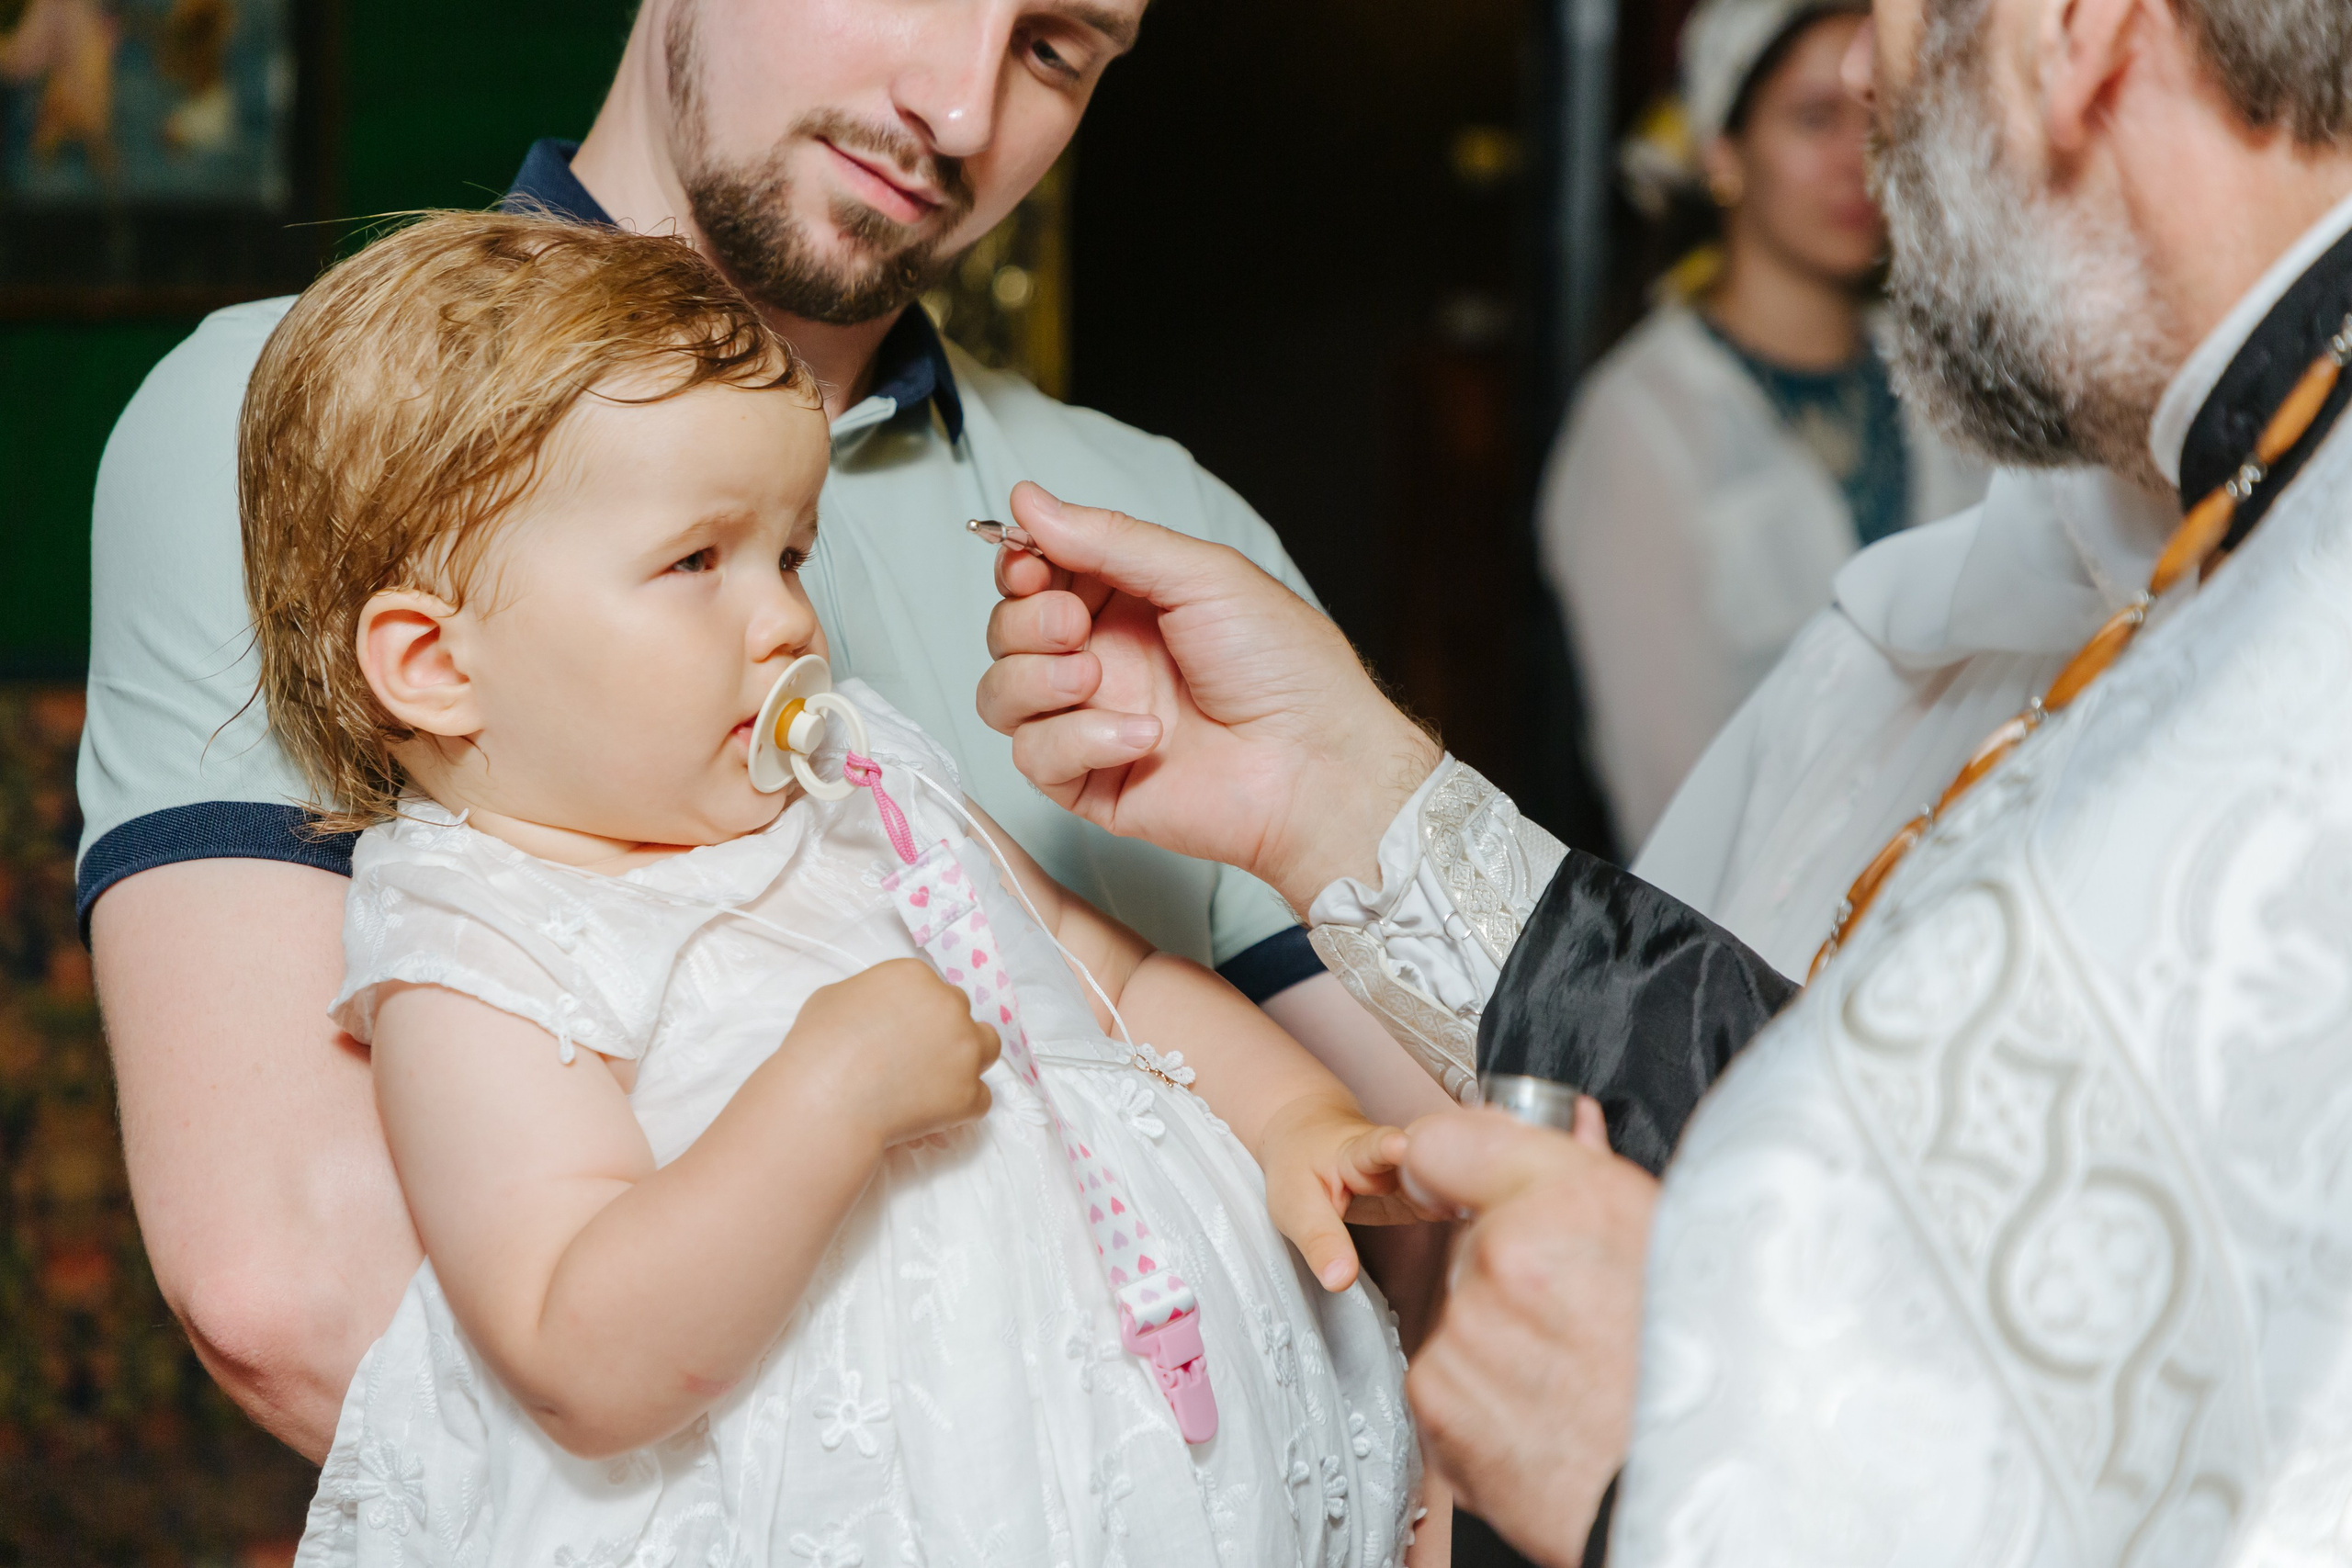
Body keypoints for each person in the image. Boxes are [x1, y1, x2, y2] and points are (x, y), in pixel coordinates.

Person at [974, 0, 2352, 1550]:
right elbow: (1986, 1189)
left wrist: (1665, 1471)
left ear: (2081, 30)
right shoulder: (2244, 505)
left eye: (1896, 18)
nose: (1869, 91)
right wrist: (1339, 795)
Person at [76, 0, 1449, 1462]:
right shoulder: (306, 417)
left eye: (1054, 46)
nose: (964, 111)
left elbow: (1418, 1231)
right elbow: (291, 1287)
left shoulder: (1169, 525)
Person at [251, 211, 1427, 1565]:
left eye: (792, 553)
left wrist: (1295, 1117)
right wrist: (826, 1097)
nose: (789, 619)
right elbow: (578, 1349)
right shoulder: (484, 945)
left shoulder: (870, 782)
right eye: (699, 561)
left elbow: (1130, 981)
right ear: (436, 665)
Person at [1540, 0, 1984, 849]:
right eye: (1814, 118)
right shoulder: (1640, 421)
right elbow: (1668, 796)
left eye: (1880, 113)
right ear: (1723, 154)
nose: (1859, 157)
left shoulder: (1952, 374)